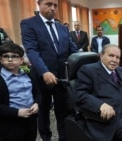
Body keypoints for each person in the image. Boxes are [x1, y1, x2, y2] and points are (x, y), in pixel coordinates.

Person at [20, 0, 79, 141]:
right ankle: (46, 137)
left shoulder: (63, 28)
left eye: (55, 5)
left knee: (62, 111)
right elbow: (32, 51)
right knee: (44, 112)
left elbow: (73, 50)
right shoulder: (28, 24)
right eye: (48, 4)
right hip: (42, 76)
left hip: (62, 77)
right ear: (39, 4)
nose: (52, 8)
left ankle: (63, 137)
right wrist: (44, 71)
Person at [0, 43, 40, 141]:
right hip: (9, 123)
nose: (10, 60)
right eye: (6, 56)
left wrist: (37, 103)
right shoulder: (0, 80)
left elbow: (38, 94)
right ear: (0, 59)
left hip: (30, 121)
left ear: (21, 60)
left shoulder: (27, 76)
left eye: (14, 56)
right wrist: (16, 112)